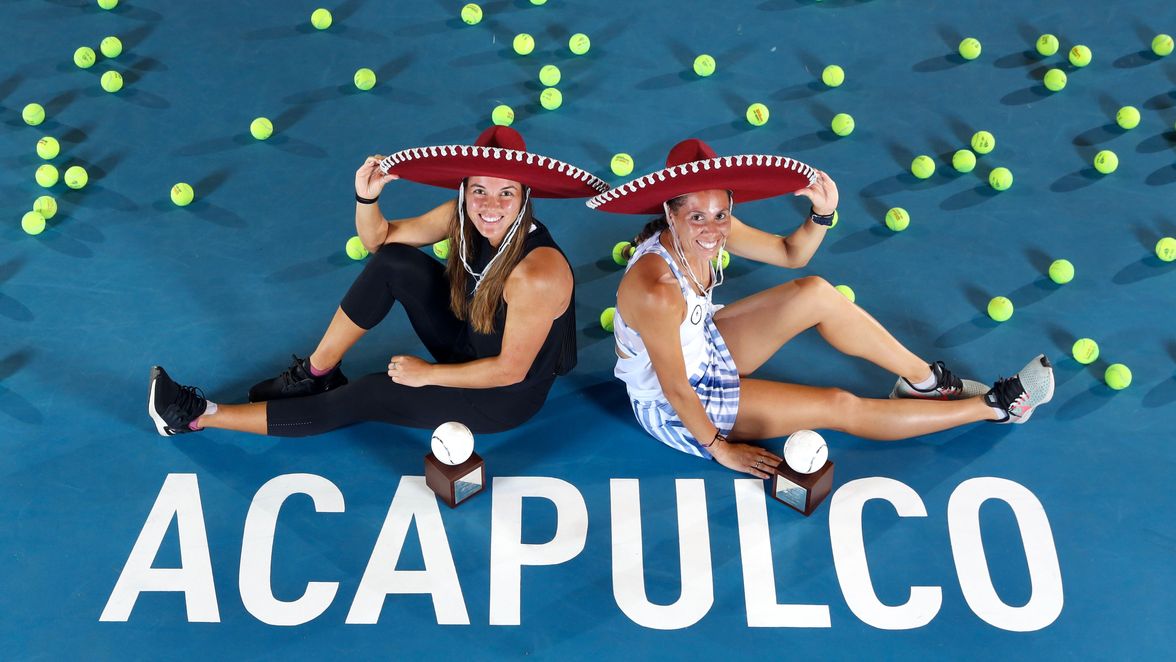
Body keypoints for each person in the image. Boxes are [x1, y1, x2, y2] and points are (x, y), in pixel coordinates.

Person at [586, 138, 1054, 478]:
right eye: (697, 217)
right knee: (838, 404)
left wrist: (821, 214)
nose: (712, 229)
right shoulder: (656, 288)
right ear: (671, 213)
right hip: (677, 403)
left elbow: (793, 255)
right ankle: (995, 407)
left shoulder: (716, 230)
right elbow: (677, 390)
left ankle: (926, 382)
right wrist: (721, 449)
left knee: (814, 291)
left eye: (721, 214)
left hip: (702, 347)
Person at [149, 126, 608, 438]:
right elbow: (379, 241)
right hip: (469, 342)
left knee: (369, 392)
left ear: (526, 196)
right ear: (464, 189)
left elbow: (511, 371)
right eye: (479, 191)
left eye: (506, 192)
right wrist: (365, 197)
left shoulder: (537, 274)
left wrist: (428, 375)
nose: (491, 204)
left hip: (501, 396)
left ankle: (197, 418)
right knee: (396, 263)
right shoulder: (460, 216)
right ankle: (314, 375)